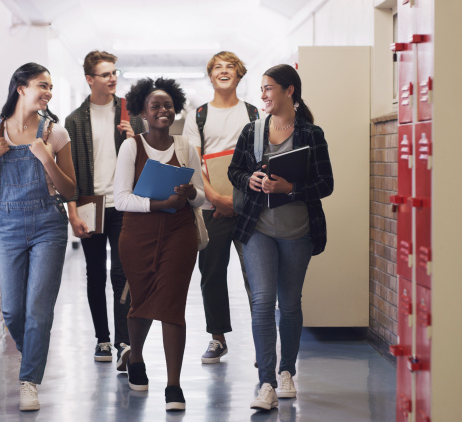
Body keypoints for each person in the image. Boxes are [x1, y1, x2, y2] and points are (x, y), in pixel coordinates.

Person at [228, 64, 333, 411]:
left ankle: (287, 371)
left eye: (269, 88)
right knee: (261, 302)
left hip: (298, 232)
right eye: (262, 88)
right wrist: (250, 180)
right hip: (257, 229)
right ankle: (267, 383)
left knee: (289, 304)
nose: (263, 95)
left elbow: (326, 184)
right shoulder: (252, 131)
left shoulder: (310, 134)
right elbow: (234, 170)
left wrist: (290, 188)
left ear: (290, 91)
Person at [0, 63, 76, 412]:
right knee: (13, 310)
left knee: (38, 309)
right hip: (7, 224)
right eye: (41, 85)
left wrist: (48, 159)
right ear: (20, 87)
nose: (48, 92)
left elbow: (70, 189)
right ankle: (33, 352)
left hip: (49, 223)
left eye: (50, 86)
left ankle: (29, 381)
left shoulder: (56, 133)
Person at [113, 77, 205, 411]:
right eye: (156, 106)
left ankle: (174, 385)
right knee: (140, 300)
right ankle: (135, 357)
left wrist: (191, 194)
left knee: (172, 303)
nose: (163, 110)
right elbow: (120, 199)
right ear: (142, 112)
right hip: (138, 235)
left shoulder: (185, 148)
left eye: (168, 105)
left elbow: (203, 200)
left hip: (179, 234)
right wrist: (158, 203)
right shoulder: (131, 146)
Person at [65, 51, 146, 366]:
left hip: (124, 203)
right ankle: (102, 339)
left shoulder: (132, 114)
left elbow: (149, 160)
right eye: (105, 74)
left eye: (115, 72)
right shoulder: (74, 120)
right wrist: (71, 211)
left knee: (121, 273)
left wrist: (134, 138)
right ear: (89, 79)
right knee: (95, 273)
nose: (113, 78)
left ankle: (124, 342)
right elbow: (68, 172)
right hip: (89, 202)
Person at [182, 51, 260, 363]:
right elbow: (194, 161)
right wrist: (215, 198)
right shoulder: (198, 116)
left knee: (256, 275)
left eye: (230, 67)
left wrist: (240, 200)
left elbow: (260, 159)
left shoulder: (254, 114)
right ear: (211, 75)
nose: (224, 71)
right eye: (218, 67)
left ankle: (262, 340)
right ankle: (217, 338)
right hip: (211, 207)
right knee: (211, 273)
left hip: (250, 207)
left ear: (239, 76)